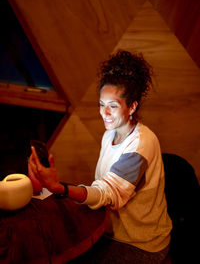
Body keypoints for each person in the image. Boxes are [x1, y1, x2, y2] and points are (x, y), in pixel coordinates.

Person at [29, 50, 172, 264]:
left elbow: (107, 194)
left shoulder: (142, 143)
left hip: (141, 244)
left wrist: (60, 188)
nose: (104, 113)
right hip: (109, 231)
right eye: (101, 104)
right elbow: (103, 186)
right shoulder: (109, 135)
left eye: (113, 106)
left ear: (132, 106)